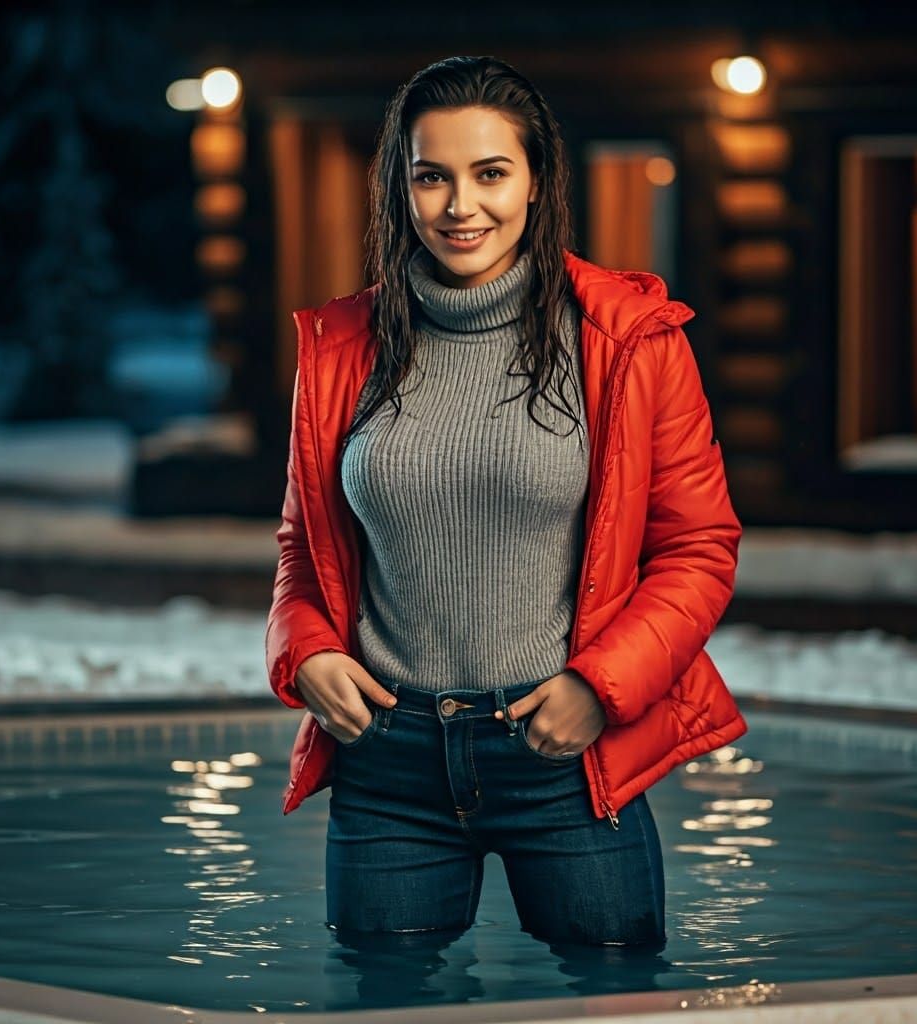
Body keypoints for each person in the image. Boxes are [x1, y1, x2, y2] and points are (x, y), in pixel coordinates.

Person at [266, 55, 748, 952]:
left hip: (566, 751)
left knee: (612, 1000)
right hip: (388, 758)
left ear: (536, 182)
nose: (461, 206)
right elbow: (304, 549)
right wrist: (307, 653)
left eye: (491, 173)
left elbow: (699, 549)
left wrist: (599, 691)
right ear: (399, 188)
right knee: (382, 1010)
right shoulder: (337, 350)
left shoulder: (629, 341)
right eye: (432, 176)